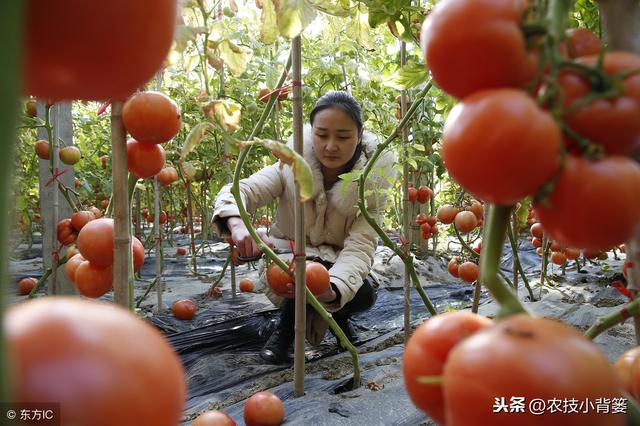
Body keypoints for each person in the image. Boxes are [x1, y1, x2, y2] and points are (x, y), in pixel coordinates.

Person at [212, 91, 396, 364]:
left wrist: (333, 289)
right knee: (300, 273)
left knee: (362, 294)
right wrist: (237, 224)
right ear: (311, 134)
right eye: (322, 135)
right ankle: (286, 332)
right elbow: (242, 190)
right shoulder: (289, 167)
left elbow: (361, 245)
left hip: (337, 266)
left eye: (343, 136)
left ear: (359, 135)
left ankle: (337, 316)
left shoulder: (372, 186)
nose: (331, 145)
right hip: (287, 262)